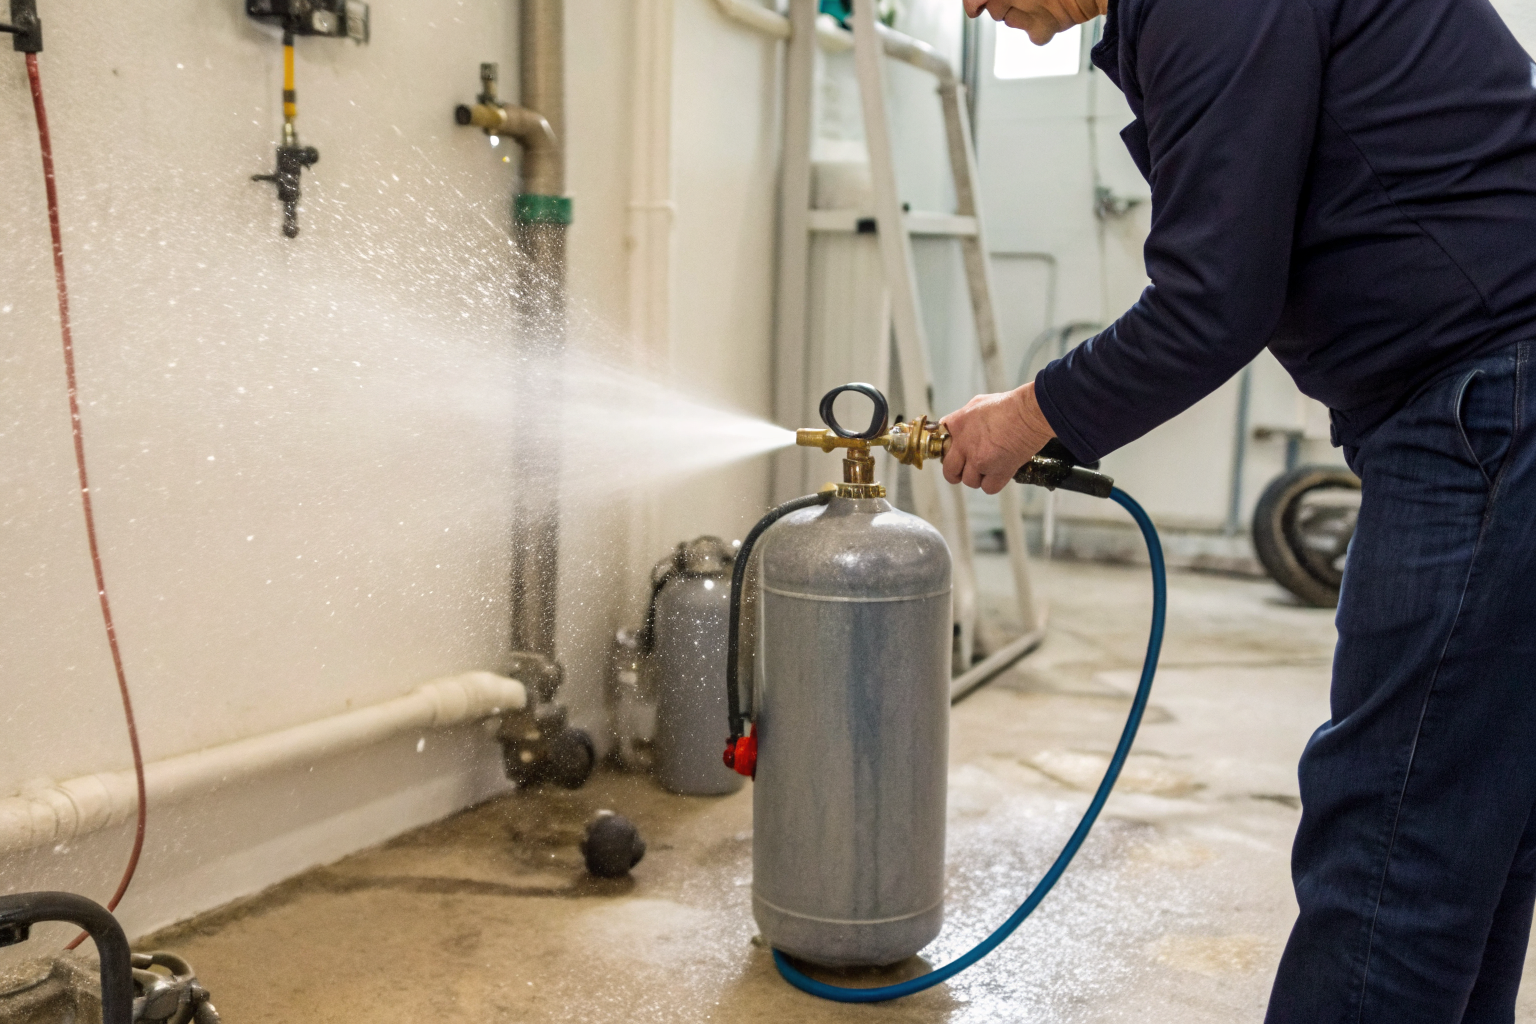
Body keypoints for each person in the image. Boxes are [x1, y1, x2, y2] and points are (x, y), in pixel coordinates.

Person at [947, 0, 1536, 1021]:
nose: (970, 7)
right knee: (1473, 831)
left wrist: (1030, 414)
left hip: (1491, 401)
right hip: (1489, 387)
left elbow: (1212, 299)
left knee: (1396, 841)